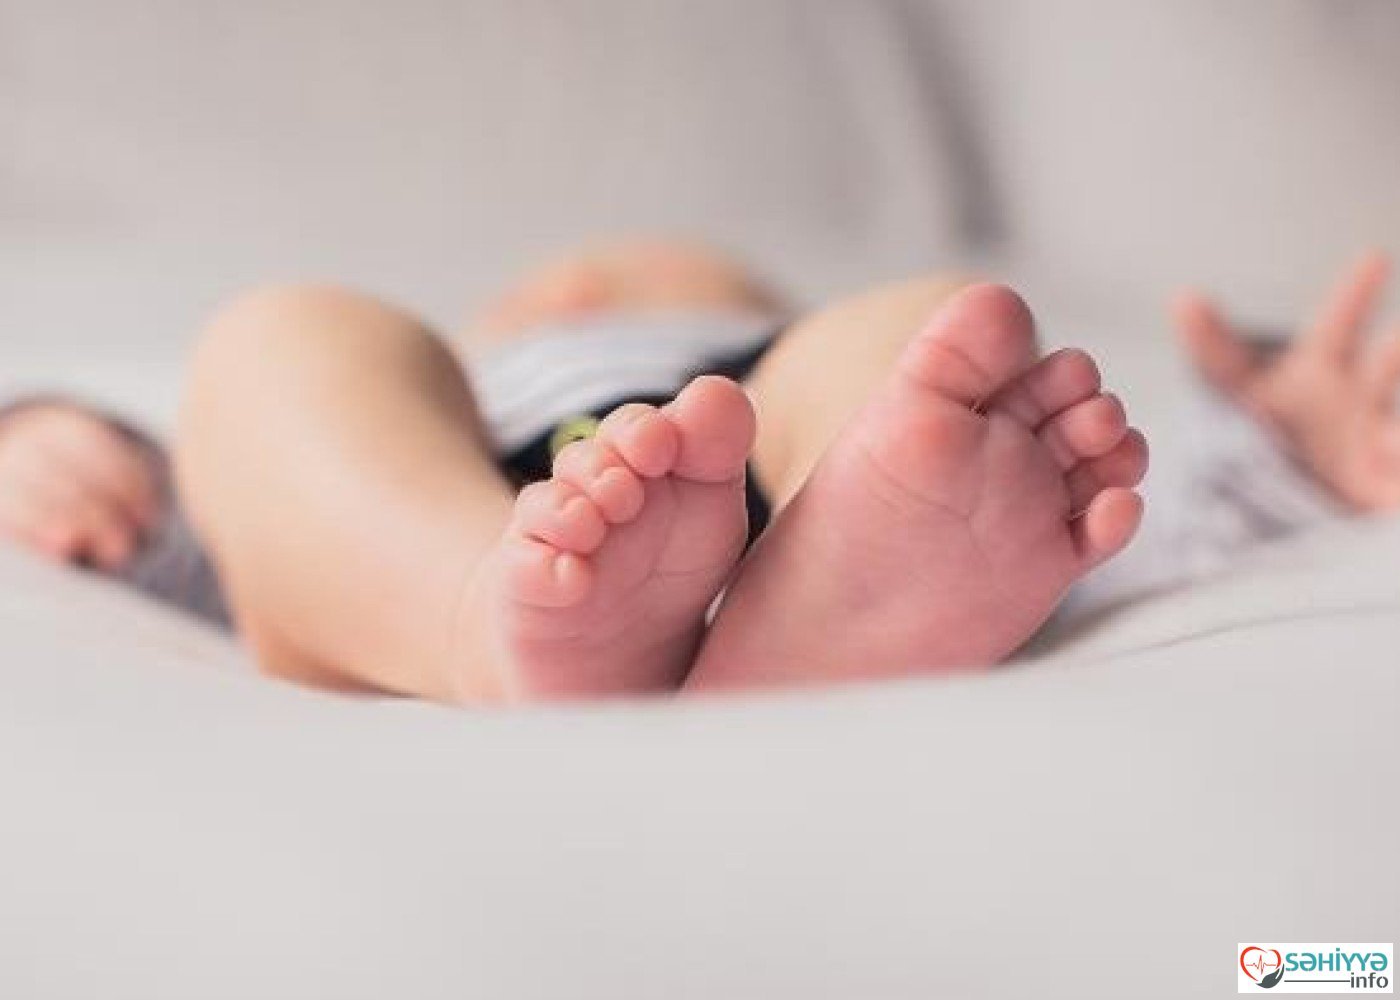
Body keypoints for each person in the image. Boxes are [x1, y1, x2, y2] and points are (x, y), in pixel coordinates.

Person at [4, 241, 1383, 701]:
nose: (596, 288)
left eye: (670, 278)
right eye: (570, 290)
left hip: (801, 486)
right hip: (460, 505)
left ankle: (816, 602)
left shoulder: (795, 365)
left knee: (930, 338)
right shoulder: (426, 400)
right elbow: (237, 521)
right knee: (281, 346)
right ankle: (483, 617)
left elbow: (1122, 529)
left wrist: (1291, 453)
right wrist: (58, 445)